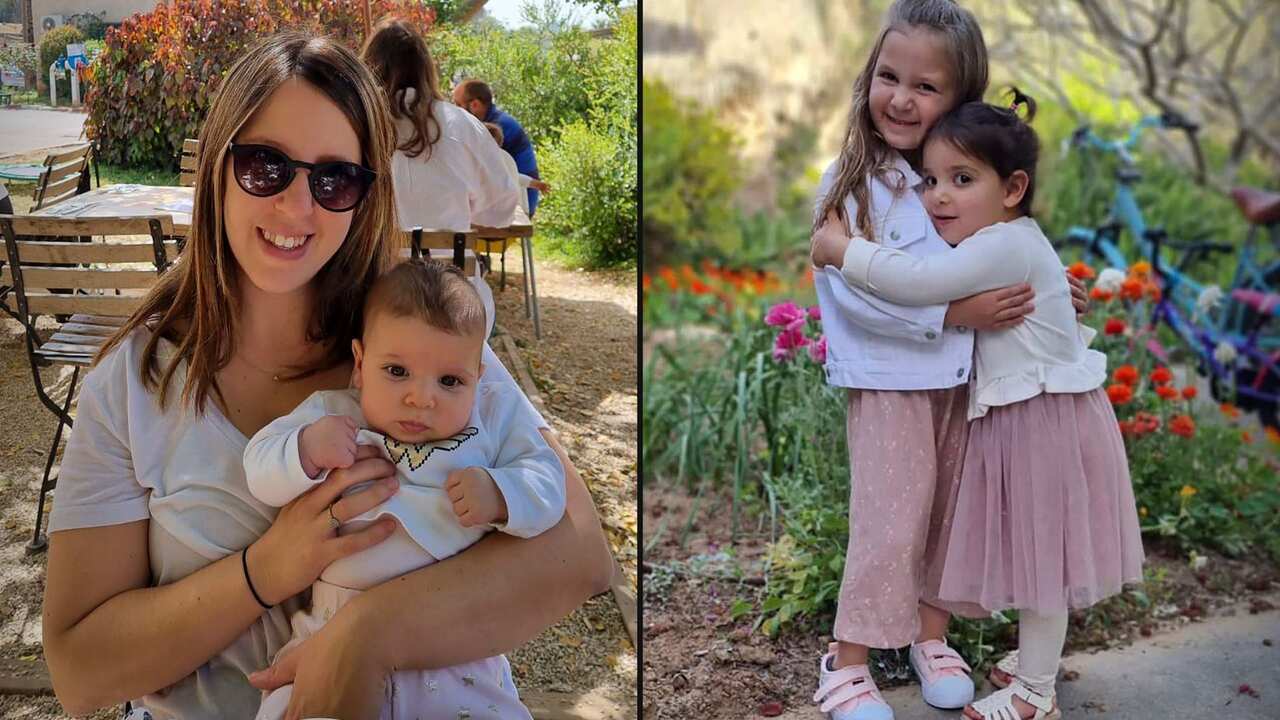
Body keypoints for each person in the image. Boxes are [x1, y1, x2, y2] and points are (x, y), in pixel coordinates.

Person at [40, 32, 612, 720]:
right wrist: (265, 571)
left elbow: (582, 555)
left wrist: (366, 637)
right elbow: (78, 672)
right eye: (264, 166)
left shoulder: (421, 351)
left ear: (366, 196)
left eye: (334, 178)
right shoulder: (133, 384)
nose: (297, 205)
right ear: (218, 167)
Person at [814, 90, 1144, 720]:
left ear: (1013, 187)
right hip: (1033, 416)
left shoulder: (999, 245)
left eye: (961, 180)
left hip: (1042, 419)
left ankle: (1034, 691)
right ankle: (1022, 661)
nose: (938, 195)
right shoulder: (1002, 238)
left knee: (1043, 554)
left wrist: (841, 250)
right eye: (932, 179)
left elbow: (918, 282)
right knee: (1037, 548)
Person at [247, 259, 563, 719]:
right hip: (332, 629)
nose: (421, 398)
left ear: (479, 378)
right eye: (396, 371)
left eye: (450, 381)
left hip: (454, 638)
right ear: (360, 364)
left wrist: (502, 493)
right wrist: (305, 449)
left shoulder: (490, 421)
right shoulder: (334, 414)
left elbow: (547, 477)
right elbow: (258, 466)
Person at [362, 17, 520, 232]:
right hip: (447, 263)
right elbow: (502, 210)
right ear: (426, 70)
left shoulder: (355, 122)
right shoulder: (462, 124)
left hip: (373, 264)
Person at [453, 78, 542, 216]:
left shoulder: (496, 128)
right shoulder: (490, 123)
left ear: (475, 104)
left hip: (520, 200)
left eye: (458, 105)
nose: (455, 110)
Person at [484, 121, 551, 215]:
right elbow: (515, 177)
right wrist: (535, 184)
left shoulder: (498, 158)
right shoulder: (504, 158)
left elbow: (513, 177)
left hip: (508, 212)